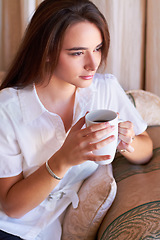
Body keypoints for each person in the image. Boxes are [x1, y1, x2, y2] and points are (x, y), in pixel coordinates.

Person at [0, 0, 153, 239]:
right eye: (78, 53)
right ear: (47, 52)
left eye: (98, 48)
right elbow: (11, 207)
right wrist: (62, 159)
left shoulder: (105, 90)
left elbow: (146, 150)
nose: (93, 64)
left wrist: (127, 141)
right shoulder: (7, 109)